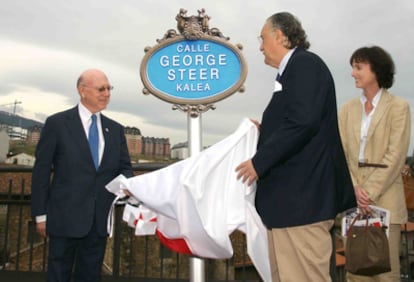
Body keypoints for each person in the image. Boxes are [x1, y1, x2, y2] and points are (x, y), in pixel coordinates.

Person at [235, 12, 356, 282]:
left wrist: (259, 162)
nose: (260, 46)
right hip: (288, 207)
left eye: (263, 38)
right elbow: (299, 122)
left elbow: (303, 122)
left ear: (279, 36)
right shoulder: (292, 72)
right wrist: (263, 132)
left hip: (302, 204)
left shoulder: (305, 65)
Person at [31, 69, 134, 282]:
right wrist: (40, 215)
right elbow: (41, 172)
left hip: (98, 222)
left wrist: (123, 186)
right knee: (58, 275)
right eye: (101, 89)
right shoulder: (57, 124)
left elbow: (125, 169)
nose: (106, 93)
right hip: (63, 219)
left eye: (109, 88)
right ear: (82, 90)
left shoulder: (115, 130)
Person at [339, 46, 411, 281]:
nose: (352, 73)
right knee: (356, 273)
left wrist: (367, 193)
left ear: (376, 70)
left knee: (386, 275)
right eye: (352, 67)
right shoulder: (346, 110)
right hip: (353, 203)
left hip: (386, 202)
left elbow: (396, 155)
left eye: (358, 67)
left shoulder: (399, 107)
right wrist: (354, 189)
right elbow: (341, 154)